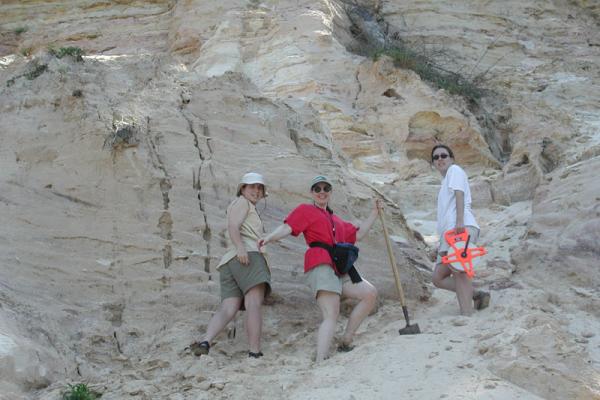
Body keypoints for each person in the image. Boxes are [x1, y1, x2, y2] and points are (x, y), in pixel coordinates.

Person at [259, 175, 380, 362]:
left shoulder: (336, 220)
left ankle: (346, 339)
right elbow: (287, 228)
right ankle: (321, 360)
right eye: (317, 189)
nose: (322, 192)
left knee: (369, 293)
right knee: (331, 313)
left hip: (340, 267)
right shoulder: (305, 210)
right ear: (312, 193)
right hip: (320, 263)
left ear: (330, 192)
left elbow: (360, 234)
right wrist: (269, 238)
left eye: (326, 188)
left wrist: (374, 213)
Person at [191, 172, 271, 358]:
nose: (256, 191)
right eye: (252, 187)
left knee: (229, 307)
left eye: (260, 188)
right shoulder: (243, 203)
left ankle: (205, 341)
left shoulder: (237, 204)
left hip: (229, 262)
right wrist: (242, 248)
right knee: (253, 303)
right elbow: (233, 226)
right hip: (247, 256)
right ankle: (254, 352)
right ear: (242, 188)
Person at [430, 144, 490, 315]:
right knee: (438, 278)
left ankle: (466, 314)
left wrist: (459, 222)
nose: (440, 159)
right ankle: (477, 294)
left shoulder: (454, 170)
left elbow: (459, 194)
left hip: (459, 227)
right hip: (448, 233)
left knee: (459, 269)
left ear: (452, 158)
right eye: (436, 157)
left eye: (444, 155)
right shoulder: (445, 181)